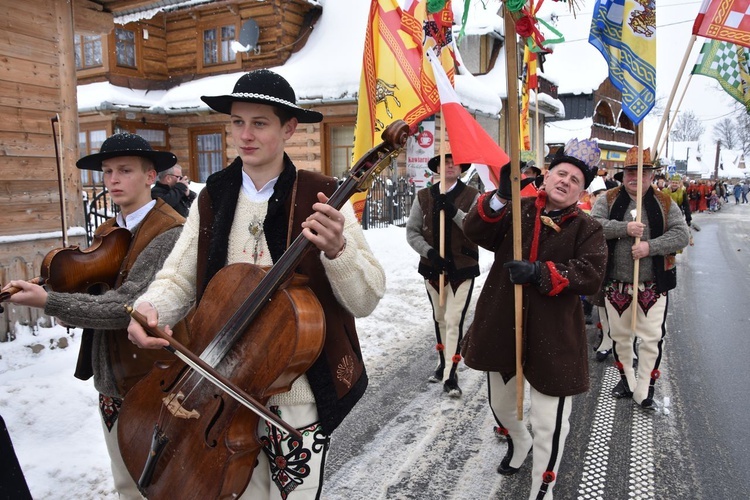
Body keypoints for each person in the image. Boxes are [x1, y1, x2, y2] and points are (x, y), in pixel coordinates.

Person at [126, 69, 385, 499]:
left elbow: (367, 297)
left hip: (294, 394)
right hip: (216, 389)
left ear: (288, 128)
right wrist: (152, 308)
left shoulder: (323, 196)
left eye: (259, 123)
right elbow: (177, 276)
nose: (244, 135)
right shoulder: (213, 196)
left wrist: (339, 252)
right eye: (237, 122)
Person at [3, 132, 188, 499]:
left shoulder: (170, 232)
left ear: (151, 176)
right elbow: (93, 294)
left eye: (124, 170)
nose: (113, 180)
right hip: (110, 381)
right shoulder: (110, 231)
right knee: (125, 483)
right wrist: (61, 296)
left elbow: (126, 306)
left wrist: (51, 303)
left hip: (153, 379)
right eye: (107, 172)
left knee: (160, 485)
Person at [461, 138, 607, 499]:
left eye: (575, 179)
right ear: (546, 176)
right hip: (503, 328)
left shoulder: (588, 228)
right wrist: (501, 193)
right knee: (502, 407)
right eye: (561, 173)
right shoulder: (519, 208)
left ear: (581, 190)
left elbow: (590, 275)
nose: (566, 181)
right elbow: (474, 230)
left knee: (550, 425)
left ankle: (542, 492)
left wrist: (540, 272)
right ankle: (519, 441)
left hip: (554, 339)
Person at [591, 146, 690, 410]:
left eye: (643, 172)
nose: (636, 178)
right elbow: (593, 226)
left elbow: (682, 234)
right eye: (631, 172)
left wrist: (650, 246)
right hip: (616, 284)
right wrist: (624, 228)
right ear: (624, 175)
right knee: (620, 337)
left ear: (650, 175)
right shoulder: (609, 199)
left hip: (653, 285)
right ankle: (628, 381)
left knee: (653, 338)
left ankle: (645, 389)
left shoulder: (665, 202)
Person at [406, 151, 480, 397]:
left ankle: (451, 374)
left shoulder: (472, 195)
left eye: (454, 162)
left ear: (461, 168)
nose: (449, 166)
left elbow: (476, 228)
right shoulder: (424, 196)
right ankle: (442, 361)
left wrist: (453, 212)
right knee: (440, 316)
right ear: (436, 167)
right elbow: (413, 232)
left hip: (462, 268)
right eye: (444, 162)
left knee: (454, 318)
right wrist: (429, 253)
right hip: (433, 268)